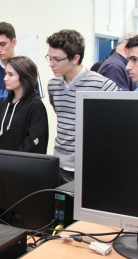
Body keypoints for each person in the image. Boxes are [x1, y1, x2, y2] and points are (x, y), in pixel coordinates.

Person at [46, 29, 118, 185]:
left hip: (89, 166)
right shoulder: (53, 85)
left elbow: (114, 129)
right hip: (58, 163)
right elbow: (62, 116)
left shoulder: (102, 85)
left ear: (75, 58)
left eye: (57, 59)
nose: (51, 64)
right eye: (49, 58)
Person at [0, 22, 44, 148]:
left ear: (13, 42)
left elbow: (36, 108)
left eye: (3, 44)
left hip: (20, 135)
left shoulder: (29, 69)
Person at [0, 56, 48, 153]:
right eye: (5, 74)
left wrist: (16, 159)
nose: (5, 78)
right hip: (2, 161)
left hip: (23, 163)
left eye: (10, 75)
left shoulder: (35, 105)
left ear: (24, 76)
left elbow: (34, 139)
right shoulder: (6, 103)